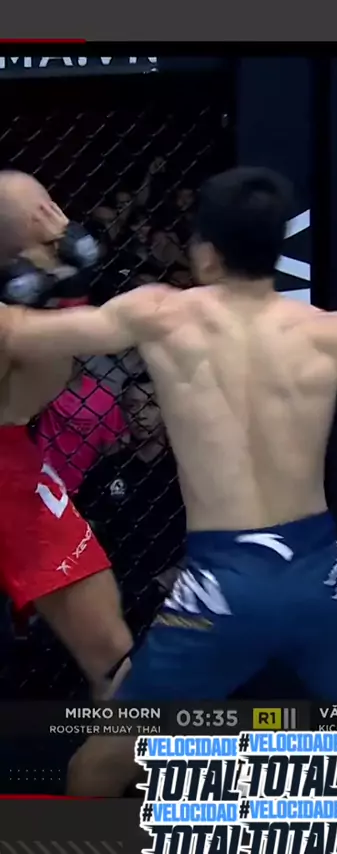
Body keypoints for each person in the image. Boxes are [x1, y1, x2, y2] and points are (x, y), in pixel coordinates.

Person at [5, 166, 337, 793]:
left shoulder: (162, 314)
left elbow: (16, 333)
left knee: (96, 768)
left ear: (204, 250)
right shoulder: (331, 332)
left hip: (221, 588)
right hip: (321, 577)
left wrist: (52, 264)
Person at [0, 170, 133, 697]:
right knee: (114, 662)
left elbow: (30, 395)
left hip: (12, 468)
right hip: (12, 468)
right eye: (48, 208)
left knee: (113, 658)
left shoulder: (29, 312)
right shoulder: (17, 320)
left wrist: (60, 288)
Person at [75, 372, 185, 636]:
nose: (140, 415)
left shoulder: (185, 472)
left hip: (172, 592)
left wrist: (172, 576)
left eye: (151, 404)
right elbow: (84, 527)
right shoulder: (108, 469)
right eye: (132, 406)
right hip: (116, 592)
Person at [35, 357, 126, 495]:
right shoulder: (43, 390)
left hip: (85, 486)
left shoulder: (102, 397)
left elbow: (111, 449)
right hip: (41, 479)